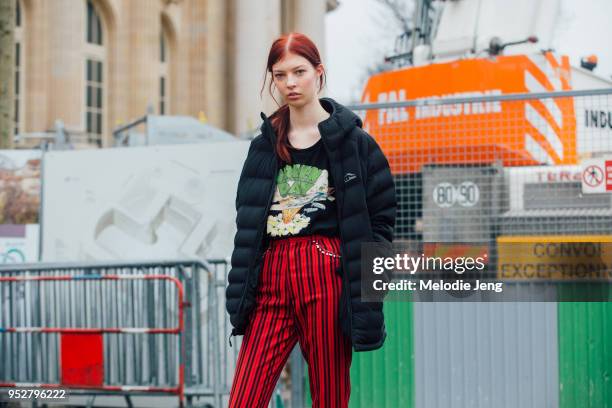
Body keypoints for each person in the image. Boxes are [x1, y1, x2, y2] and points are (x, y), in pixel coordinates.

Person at [225, 32, 397, 408]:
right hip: (272, 275)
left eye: (299, 71)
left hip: (327, 272)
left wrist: (368, 291)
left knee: (329, 397)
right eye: (280, 74)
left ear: (319, 72)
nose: (290, 83)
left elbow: (381, 222)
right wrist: (241, 290)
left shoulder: (355, 144)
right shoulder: (264, 145)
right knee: (244, 399)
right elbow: (248, 224)